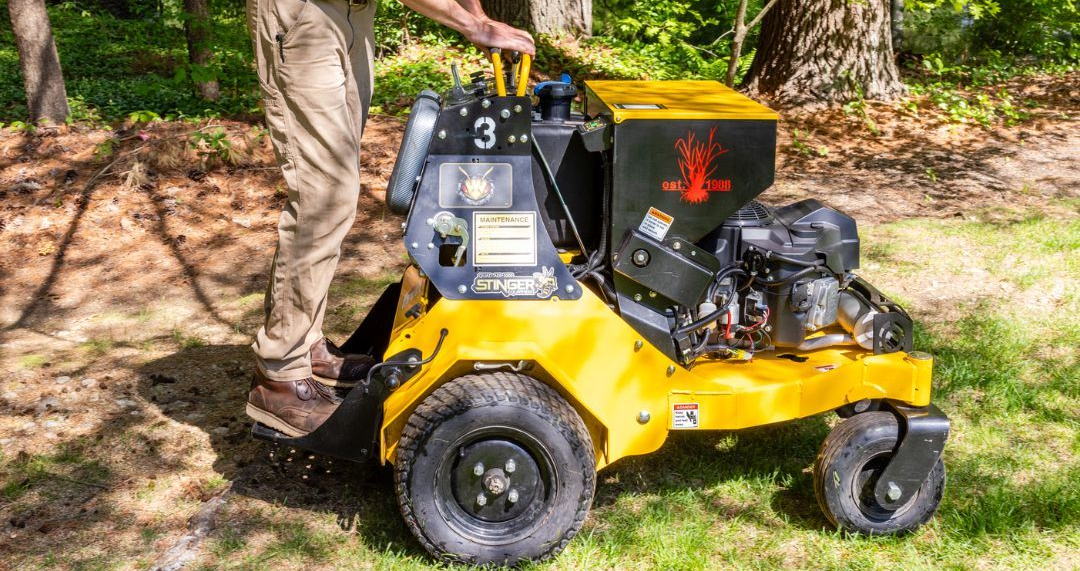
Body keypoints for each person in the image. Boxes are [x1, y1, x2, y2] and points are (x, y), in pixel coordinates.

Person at [244, 0, 535, 437]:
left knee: (336, 181)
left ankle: (305, 347)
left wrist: (479, 17)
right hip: (302, 13)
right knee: (324, 191)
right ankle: (280, 373)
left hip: (351, 15)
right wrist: (471, 24)